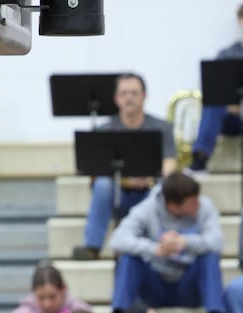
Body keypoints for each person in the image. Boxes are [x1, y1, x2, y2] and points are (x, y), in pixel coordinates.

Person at [110, 171, 228, 313]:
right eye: (192, 202)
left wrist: (185, 242)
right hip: (155, 286)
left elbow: (217, 242)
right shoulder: (147, 208)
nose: (198, 204)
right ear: (172, 205)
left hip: (189, 285)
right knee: (129, 258)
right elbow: (117, 240)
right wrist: (154, 249)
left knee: (210, 257)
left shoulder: (205, 206)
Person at [72, 73, 177, 260]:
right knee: (103, 184)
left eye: (134, 93)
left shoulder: (162, 127)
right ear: (116, 98)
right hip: (117, 192)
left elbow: (170, 164)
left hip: (149, 191)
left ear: (144, 96)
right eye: (124, 93)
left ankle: (162, 241)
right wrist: (126, 179)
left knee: (165, 187)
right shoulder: (103, 131)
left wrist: (150, 178)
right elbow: (95, 171)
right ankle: (92, 246)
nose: (129, 98)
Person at [189, 3, 243, 173]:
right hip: (234, 119)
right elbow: (216, 89)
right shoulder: (227, 55)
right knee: (213, 102)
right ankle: (201, 157)